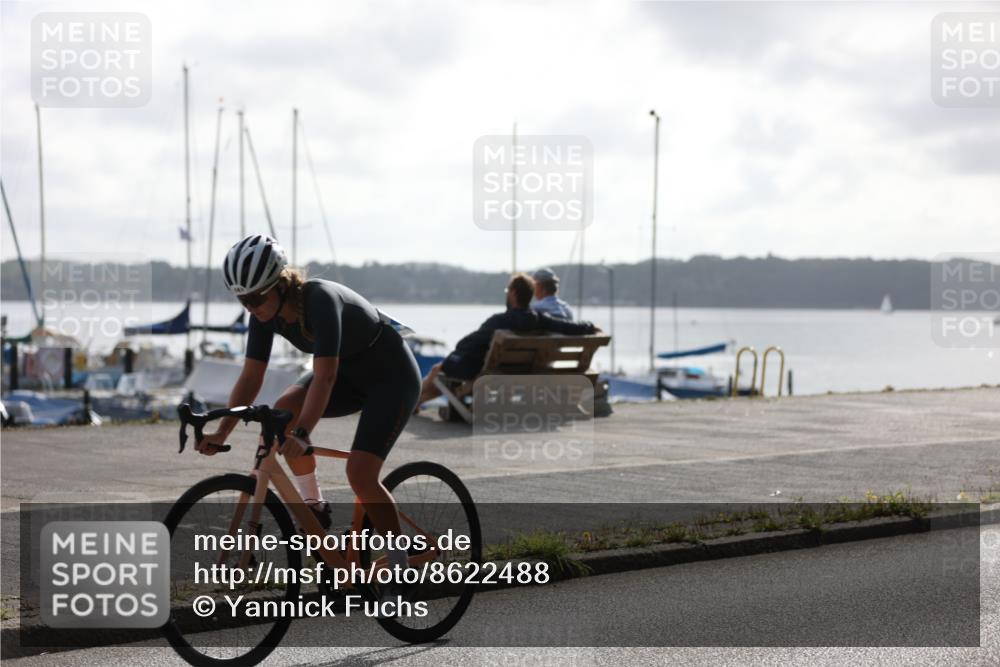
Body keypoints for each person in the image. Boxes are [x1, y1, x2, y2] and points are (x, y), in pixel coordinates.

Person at [195, 234, 420, 578]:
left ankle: (401, 567)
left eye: (255, 298)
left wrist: (302, 433)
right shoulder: (263, 315)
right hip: (348, 374)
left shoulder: (319, 299)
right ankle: (314, 507)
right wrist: (222, 429)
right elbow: (251, 376)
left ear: (280, 284)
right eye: (242, 300)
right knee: (283, 409)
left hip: (390, 377)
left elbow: (325, 376)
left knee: (360, 473)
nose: (250, 307)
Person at [416, 273, 599, 406]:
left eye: (507, 290)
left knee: (438, 370)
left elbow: (466, 343)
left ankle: (412, 401)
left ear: (513, 293)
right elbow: (567, 327)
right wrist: (590, 327)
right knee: (442, 372)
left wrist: (459, 349)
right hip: (516, 371)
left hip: (485, 372)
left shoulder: (498, 321)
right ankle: (418, 402)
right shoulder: (538, 319)